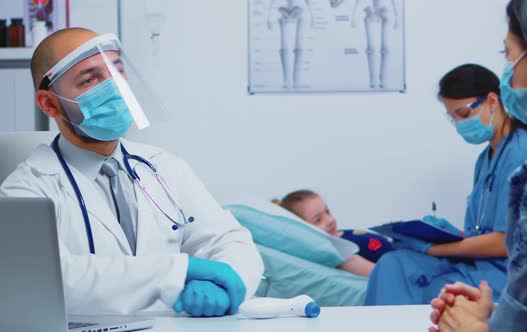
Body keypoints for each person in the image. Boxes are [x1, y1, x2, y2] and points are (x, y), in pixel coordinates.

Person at [0, 28, 263, 317]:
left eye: (116, 71)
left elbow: (230, 240)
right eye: (89, 79)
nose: (113, 87)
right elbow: (44, 280)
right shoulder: (26, 190)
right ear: (49, 103)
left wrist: (228, 283)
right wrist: (174, 272)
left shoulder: (164, 166)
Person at [430, 0, 527, 331]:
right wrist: (496, 314)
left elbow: (525, 321)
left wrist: (471, 326)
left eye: (507, 55)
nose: (505, 70)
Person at [364, 64, 527, 305]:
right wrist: (443, 235)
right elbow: (485, 228)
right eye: (453, 118)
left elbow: (507, 242)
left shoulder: (520, 153)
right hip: (480, 265)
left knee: (419, 284)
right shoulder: (486, 158)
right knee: (393, 263)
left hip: (505, 275)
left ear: (492, 101)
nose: (460, 124)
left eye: (463, 114)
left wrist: (434, 249)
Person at [278, 189, 391, 276]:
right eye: (318, 220)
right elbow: (380, 275)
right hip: (399, 268)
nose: (330, 220)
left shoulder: (338, 234)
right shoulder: (339, 251)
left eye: (327, 211)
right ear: (304, 231)